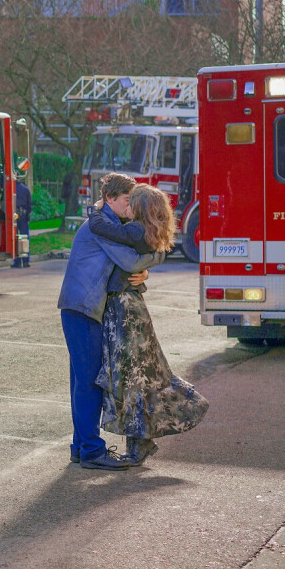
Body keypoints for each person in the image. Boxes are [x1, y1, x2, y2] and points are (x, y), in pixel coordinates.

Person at [87, 184, 209, 465]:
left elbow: (104, 232)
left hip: (126, 311)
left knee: (132, 378)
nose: (127, 206)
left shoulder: (132, 230)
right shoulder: (145, 232)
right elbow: (148, 255)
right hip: (132, 309)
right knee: (140, 377)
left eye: (131, 203)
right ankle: (140, 442)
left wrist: (94, 209)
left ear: (139, 209)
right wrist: (146, 269)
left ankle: (140, 443)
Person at [57, 173, 165, 471]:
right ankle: (91, 450)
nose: (132, 208)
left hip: (81, 309)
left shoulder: (110, 224)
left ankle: (81, 447)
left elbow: (128, 262)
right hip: (83, 309)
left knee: (82, 381)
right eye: (128, 201)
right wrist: (158, 256)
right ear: (110, 199)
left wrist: (145, 273)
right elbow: (130, 261)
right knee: (89, 382)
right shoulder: (102, 228)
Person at [12, 179, 32, 268]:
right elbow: (30, 205)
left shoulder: (12, 188)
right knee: (24, 238)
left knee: (15, 238)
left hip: (14, 215)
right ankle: (25, 261)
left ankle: (16, 261)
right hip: (23, 215)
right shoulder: (26, 189)